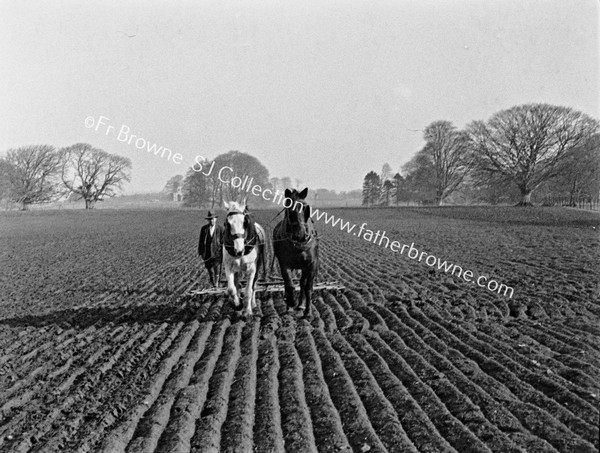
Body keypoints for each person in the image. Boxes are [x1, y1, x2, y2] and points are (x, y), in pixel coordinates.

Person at [197, 210, 223, 287]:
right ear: (208, 220)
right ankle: (213, 282)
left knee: (216, 268)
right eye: (210, 219)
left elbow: (223, 240)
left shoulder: (220, 229)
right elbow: (201, 241)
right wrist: (201, 252)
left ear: (216, 219)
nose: (212, 220)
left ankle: (216, 283)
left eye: (213, 219)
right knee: (209, 269)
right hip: (207, 252)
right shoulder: (204, 229)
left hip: (217, 252)